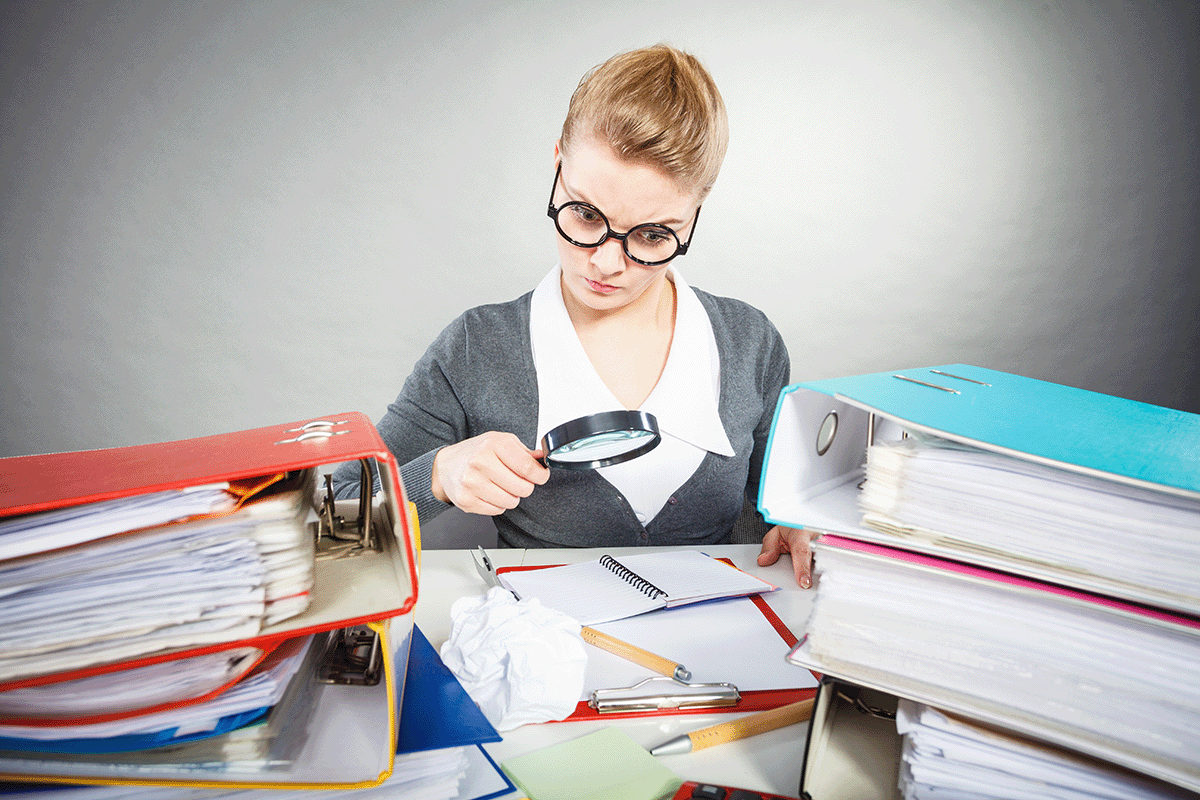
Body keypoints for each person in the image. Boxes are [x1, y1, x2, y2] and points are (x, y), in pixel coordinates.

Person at [333, 44, 818, 587]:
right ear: (558, 161)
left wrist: (795, 523)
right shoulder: (477, 349)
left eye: (654, 234)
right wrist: (437, 476)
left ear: (695, 213)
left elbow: (775, 503)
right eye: (586, 214)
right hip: (546, 655)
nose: (607, 264)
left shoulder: (750, 343)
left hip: (726, 649)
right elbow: (332, 524)